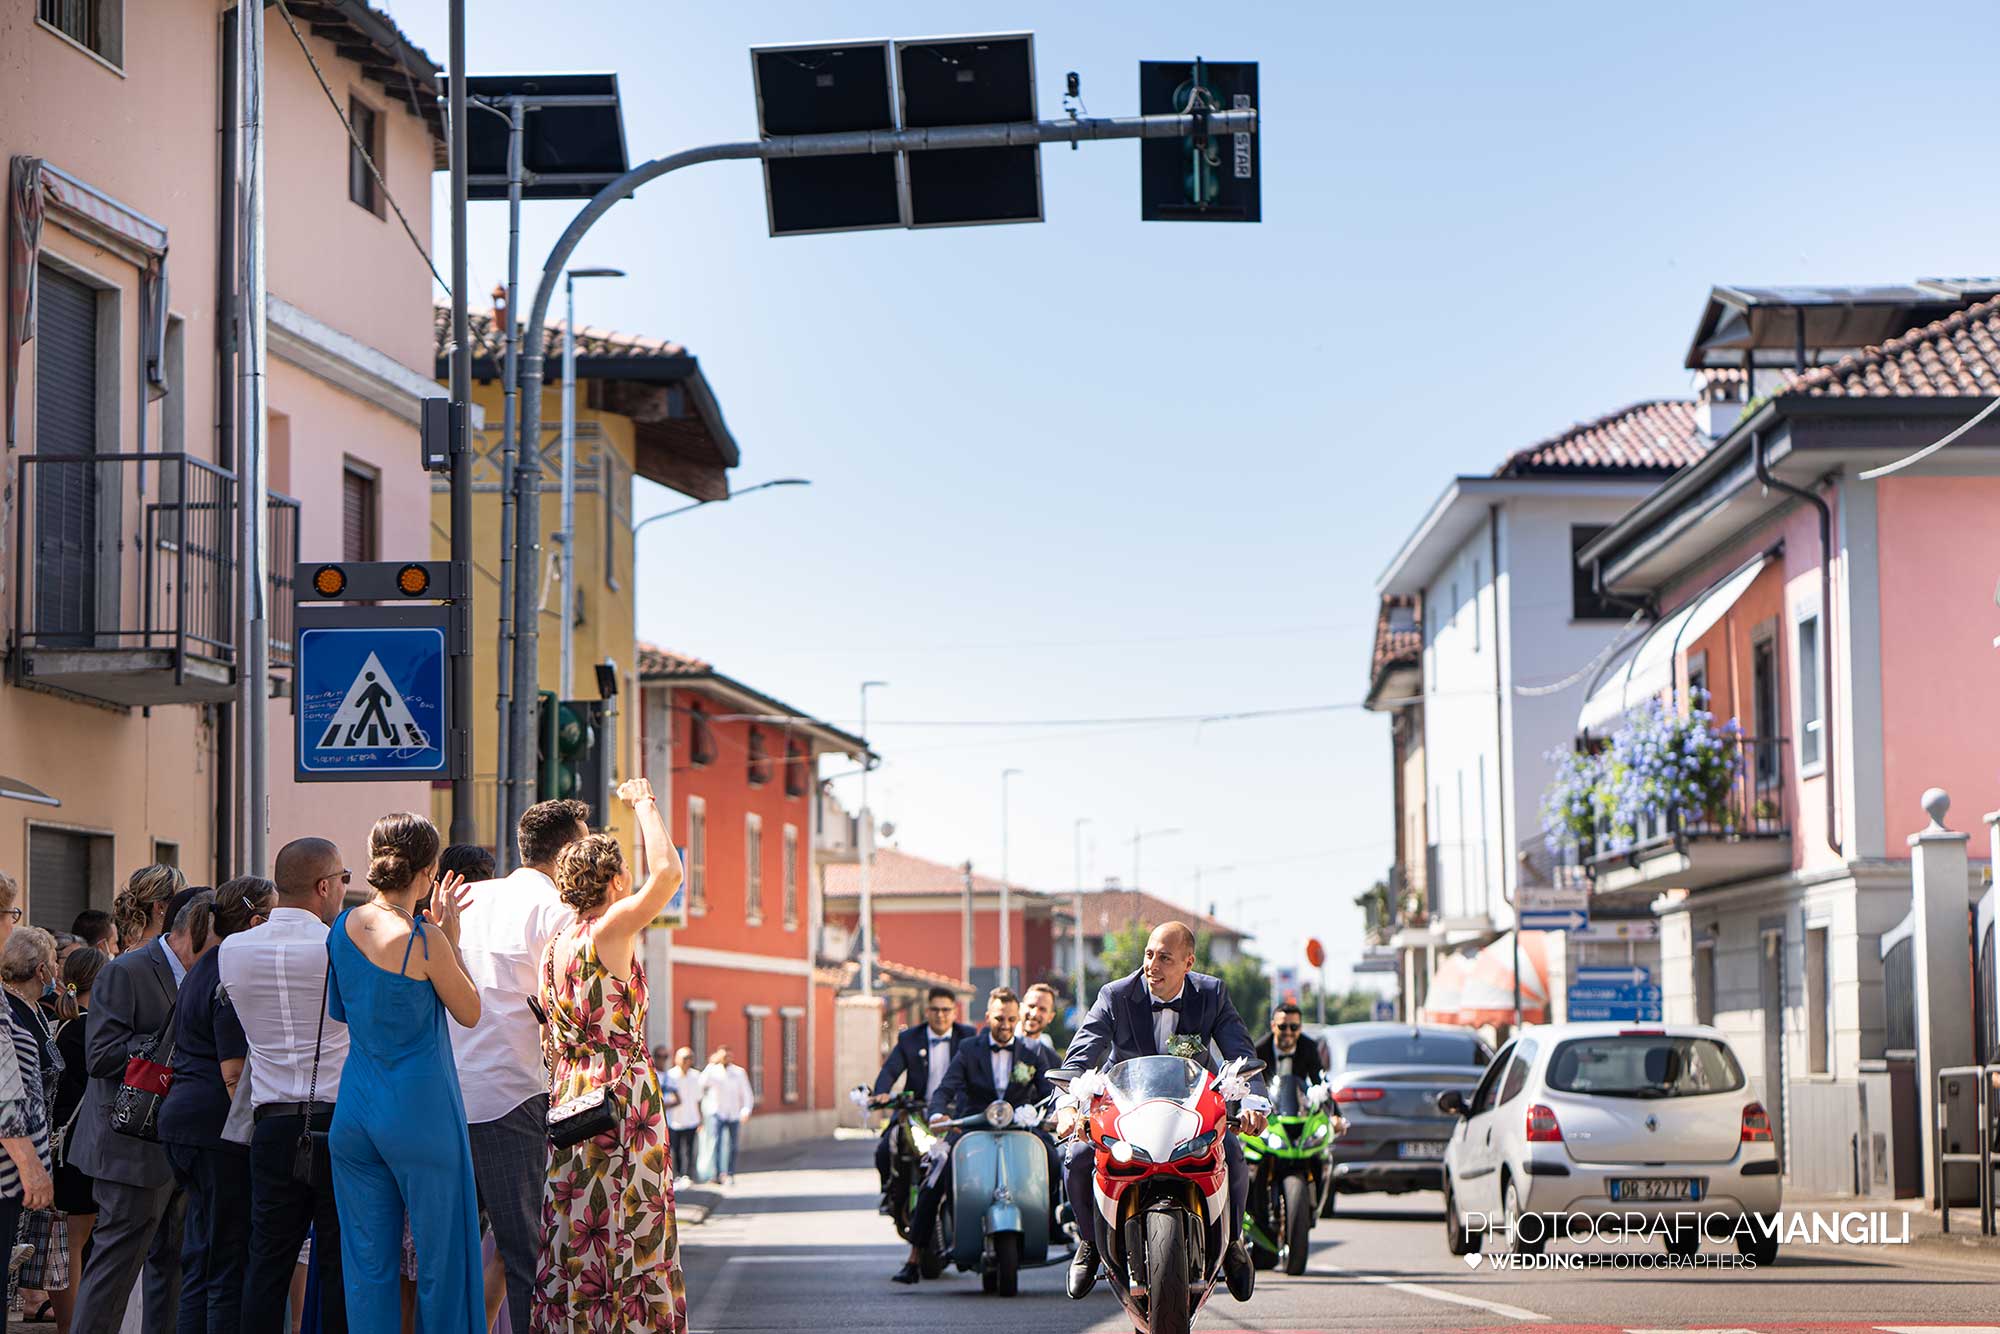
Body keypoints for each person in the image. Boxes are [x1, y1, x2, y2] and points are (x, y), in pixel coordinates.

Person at [531, 777, 686, 1334]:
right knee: (630, 1217)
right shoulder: (609, 929)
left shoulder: (556, 945)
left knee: (580, 1220)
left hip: (573, 1093)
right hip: (620, 1093)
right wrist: (645, 803)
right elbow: (668, 875)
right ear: (617, 880)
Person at [1053, 921, 1265, 1304]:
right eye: (1149, 954)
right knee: (1079, 1155)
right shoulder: (1115, 995)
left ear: (1188, 962)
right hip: (1127, 1106)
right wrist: (1068, 1105)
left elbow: (1240, 1052)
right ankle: (1088, 1241)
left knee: (1232, 1151)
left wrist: (1252, 1104)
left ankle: (1233, 1242)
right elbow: (1081, 1054)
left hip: (1191, 1110)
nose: (1153, 965)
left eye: (1165, 958)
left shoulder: (1212, 993)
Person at [327, 813, 482, 1334]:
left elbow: (343, 1013)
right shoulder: (425, 939)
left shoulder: (341, 929)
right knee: (445, 1262)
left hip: (355, 1110)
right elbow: (470, 1011)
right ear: (430, 871)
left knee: (368, 1267)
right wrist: (450, 937)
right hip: (422, 1112)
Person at [447, 800, 584, 1334]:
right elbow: (568, 1007)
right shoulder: (556, 911)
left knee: (442, 1258)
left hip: (443, 1092)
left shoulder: (469, 895)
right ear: (569, 851)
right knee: (527, 1251)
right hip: (513, 1094)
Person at [219, 839, 351, 1334]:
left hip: (270, 1125)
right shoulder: (340, 946)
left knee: (267, 1263)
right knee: (338, 1263)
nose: (344, 888)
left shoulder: (233, 949)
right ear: (323, 886)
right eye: (342, 879)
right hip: (336, 1121)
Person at [66, 867, 195, 1334]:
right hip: (128, 1148)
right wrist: (170, 1047)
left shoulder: (193, 967)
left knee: (171, 1268)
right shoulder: (125, 970)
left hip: (175, 1145)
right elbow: (100, 1055)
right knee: (114, 1273)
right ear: (165, 908)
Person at [160, 879, 271, 1333]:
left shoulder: (203, 965)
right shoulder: (229, 970)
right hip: (216, 1129)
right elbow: (232, 1072)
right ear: (254, 920)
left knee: (200, 1256)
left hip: (183, 1124)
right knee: (225, 1260)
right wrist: (252, 1135)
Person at [896, 990, 1054, 1285]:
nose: (1005, 1025)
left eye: (1010, 1019)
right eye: (998, 1018)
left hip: (1019, 1131)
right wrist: (938, 1114)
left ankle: (1052, 1224)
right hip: (971, 1129)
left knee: (1054, 1159)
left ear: (1017, 1018)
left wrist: (1057, 1113)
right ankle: (915, 1256)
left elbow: (1050, 1094)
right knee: (936, 1172)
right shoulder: (970, 1049)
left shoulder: (1033, 1054)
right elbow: (945, 1088)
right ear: (987, 1018)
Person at [868, 988, 974, 1211]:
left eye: (946, 1010)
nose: (940, 1015)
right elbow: (890, 1069)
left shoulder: (968, 1037)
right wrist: (882, 1091)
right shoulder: (910, 1038)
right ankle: (891, 1193)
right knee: (885, 1148)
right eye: (935, 1009)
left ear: (955, 1012)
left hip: (955, 1113)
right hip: (915, 1110)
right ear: (927, 1011)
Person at [2, 927, 61, 1330]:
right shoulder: (9, 1008)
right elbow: (4, 1098)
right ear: (42, 968)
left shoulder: (32, 1009)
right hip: (9, 1171)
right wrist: (30, 1167)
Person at [49, 945, 106, 1334]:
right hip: (85, 1146)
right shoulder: (93, 1028)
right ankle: (74, 1325)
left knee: (68, 1241)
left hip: (63, 1147)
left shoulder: (63, 1026)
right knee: (76, 1241)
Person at [700, 1048, 753, 1187]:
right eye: (722, 1056)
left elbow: (746, 1092)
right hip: (718, 1112)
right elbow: (701, 1082)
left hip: (734, 1113)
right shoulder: (713, 1071)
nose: (725, 1058)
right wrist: (711, 1064)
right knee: (715, 1143)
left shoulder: (738, 1072)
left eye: (728, 1056)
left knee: (732, 1145)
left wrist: (746, 1110)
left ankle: (730, 1173)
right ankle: (716, 1174)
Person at [659, 1049, 702, 1191]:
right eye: (684, 1058)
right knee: (675, 1149)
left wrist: (701, 1118)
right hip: (674, 1120)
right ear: (677, 1059)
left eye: (690, 1057)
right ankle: (676, 1175)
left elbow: (698, 1099)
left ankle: (688, 1175)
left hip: (691, 1118)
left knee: (690, 1149)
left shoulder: (696, 1076)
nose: (687, 1061)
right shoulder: (670, 1076)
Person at [1255, 1002, 1324, 1084]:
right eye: (1282, 1027)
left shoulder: (1309, 1047)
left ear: (1300, 1028)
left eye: (1294, 1027)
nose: (1288, 1032)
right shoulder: (1259, 1050)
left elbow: (1318, 1082)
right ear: (1273, 1026)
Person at [1018, 983, 1059, 1056]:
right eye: (1031, 1006)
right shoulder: (1002, 1040)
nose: (1034, 1014)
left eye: (1042, 1009)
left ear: (1050, 1017)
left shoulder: (1047, 1047)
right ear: (1020, 1008)